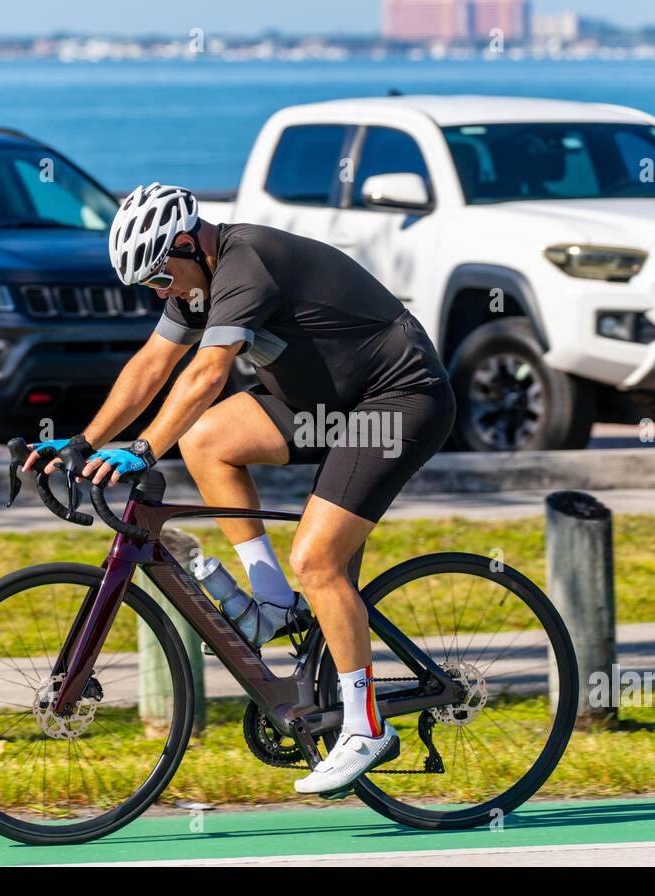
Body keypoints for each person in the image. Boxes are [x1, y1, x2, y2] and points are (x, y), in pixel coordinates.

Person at [22, 183, 456, 794]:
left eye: (159, 278)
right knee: (206, 441)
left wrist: (144, 447)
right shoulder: (193, 279)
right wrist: (82, 443)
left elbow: (206, 372)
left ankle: (365, 726)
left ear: (186, 243)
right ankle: (274, 600)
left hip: (397, 402)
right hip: (323, 407)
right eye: (150, 286)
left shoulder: (245, 264)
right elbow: (151, 364)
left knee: (318, 558)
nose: (161, 293)